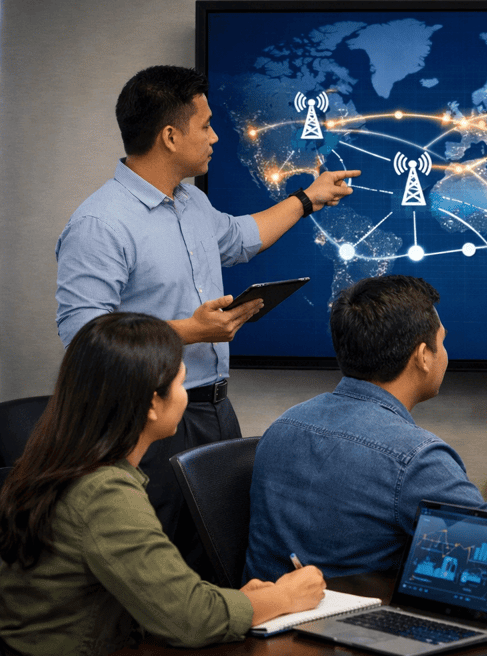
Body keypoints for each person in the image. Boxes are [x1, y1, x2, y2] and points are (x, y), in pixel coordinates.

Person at [53, 65, 360, 574]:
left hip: (215, 410)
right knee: (159, 568)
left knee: (218, 558)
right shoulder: (100, 223)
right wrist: (188, 333)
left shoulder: (191, 202)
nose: (216, 136)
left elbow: (241, 237)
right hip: (145, 421)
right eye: (206, 125)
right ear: (170, 136)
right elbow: (83, 336)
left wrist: (309, 198)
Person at [0, 313, 326, 655]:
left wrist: (245, 601)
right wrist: (285, 596)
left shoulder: (51, 462)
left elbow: (161, 592)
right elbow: (188, 620)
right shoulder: (104, 494)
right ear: (153, 404)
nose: (184, 396)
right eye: (180, 384)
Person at [244, 275, 487, 580]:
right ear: (423, 356)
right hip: (356, 630)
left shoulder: (283, 425)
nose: (445, 353)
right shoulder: (413, 458)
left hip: (270, 628)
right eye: (441, 342)